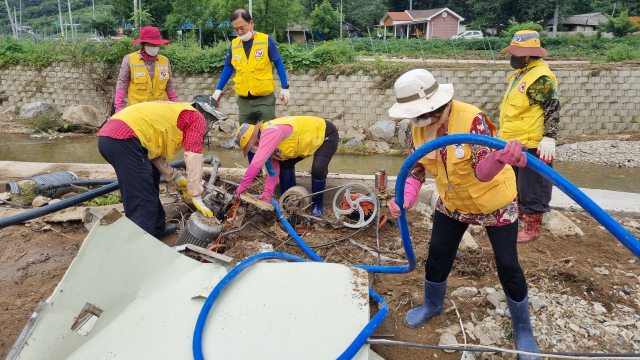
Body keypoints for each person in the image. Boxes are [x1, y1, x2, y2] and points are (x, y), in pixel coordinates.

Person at [387, 69, 540, 360]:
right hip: (453, 202)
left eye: (417, 113)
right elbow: (416, 169)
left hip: (493, 201)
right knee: (438, 253)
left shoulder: (472, 119)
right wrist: (406, 199)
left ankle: (523, 329)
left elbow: (483, 173)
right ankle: (433, 305)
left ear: (436, 105)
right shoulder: (419, 128)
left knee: (507, 264)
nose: (414, 119)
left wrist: (498, 158)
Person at [97, 99, 219, 240]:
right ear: (205, 113)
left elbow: (154, 154)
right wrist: (196, 194)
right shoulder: (196, 118)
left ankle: (156, 230)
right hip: (123, 139)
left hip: (113, 137)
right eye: (212, 119)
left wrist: (176, 177)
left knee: (149, 181)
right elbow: (193, 155)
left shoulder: (175, 112)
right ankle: (141, 244)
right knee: (141, 197)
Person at [499, 30, 560, 243]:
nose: (512, 57)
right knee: (514, 185)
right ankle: (516, 221)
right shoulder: (521, 74)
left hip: (533, 145)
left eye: (516, 54)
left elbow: (551, 107)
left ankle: (532, 229)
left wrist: (549, 136)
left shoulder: (541, 77)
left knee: (533, 187)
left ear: (529, 55)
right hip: (514, 142)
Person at [212, 9, 290, 168]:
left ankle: (272, 172)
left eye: (242, 28)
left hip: (264, 99)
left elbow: (278, 62)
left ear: (251, 23)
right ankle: (255, 171)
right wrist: (218, 89)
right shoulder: (234, 44)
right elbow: (228, 67)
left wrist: (285, 86)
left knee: (268, 136)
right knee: (247, 138)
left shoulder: (266, 40)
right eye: (236, 29)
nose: (239, 32)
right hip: (244, 102)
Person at [233, 116, 338, 217]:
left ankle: (317, 206)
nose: (252, 149)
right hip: (304, 143)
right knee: (284, 164)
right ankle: (289, 200)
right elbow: (272, 170)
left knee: (318, 169)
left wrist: (243, 185)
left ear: (254, 139)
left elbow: (257, 163)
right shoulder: (265, 141)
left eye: (250, 146)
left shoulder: (270, 132)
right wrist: (267, 193)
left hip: (325, 134)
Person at [114, 27, 177, 113]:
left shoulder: (165, 61)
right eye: (152, 44)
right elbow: (121, 86)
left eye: (157, 44)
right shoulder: (129, 59)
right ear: (143, 44)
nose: (155, 47)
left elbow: (170, 87)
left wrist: (175, 108)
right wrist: (118, 110)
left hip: (160, 112)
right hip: (137, 113)